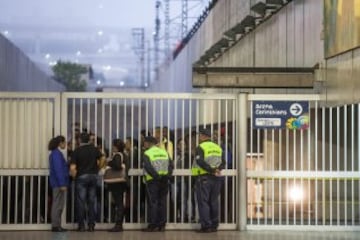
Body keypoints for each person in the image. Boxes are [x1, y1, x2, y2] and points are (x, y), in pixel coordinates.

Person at [192, 128, 225, 233]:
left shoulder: (200, 147)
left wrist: (210, 170)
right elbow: (223, 162)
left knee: (203, 202)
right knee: (214, 201)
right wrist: (217, 169)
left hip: (204, 177)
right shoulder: (218, 147)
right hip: (216, 177)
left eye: (200, 135)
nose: (199, 137)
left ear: (203, 136)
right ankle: (214, 225)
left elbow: (199, 161)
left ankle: (206, 226)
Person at [69, 132, 102, 232]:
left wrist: (74, 177)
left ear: (79, 140)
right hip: (93, 177)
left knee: (81, 202)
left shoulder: (77, 151)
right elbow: (103, 158)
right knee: (92, 201)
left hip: (81, 177)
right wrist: (98, 168)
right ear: (88, 140)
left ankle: (81, 225)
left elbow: (73, 167)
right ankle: (91, 225)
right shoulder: (94, 149)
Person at [142, 136, 173, 232]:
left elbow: (148, 167)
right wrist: (166, 176)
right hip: (164, 180)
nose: (144, 144)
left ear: (149, 143)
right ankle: (162, 225)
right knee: (162, 202)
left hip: (153, 181)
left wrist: (156, 176)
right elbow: (171, 165)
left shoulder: (147, 153)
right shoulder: (164, 152)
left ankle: (153, 225)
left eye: (145, 142)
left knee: (153, 202)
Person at [107, 138, 129, 232]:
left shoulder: (117, 155)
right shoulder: (124, 154)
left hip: (117, 183)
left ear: (116, 147)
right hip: (121, 182)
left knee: (119, 203)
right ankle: (118, 224)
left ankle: (118, 224)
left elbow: (117, 166)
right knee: (119, 203)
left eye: (113, 146)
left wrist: (109, 162)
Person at [48, 135, 69, 232]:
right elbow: (58, 170)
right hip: (58, 184)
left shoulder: (55, 153)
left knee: (59, 204)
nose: (65, 145)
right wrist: (62, 184)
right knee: (58, 205)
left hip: (58, 183)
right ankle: (56, 226)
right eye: (64, 143)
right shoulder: (56, 154)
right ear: (60, 143)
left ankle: (57, 225)